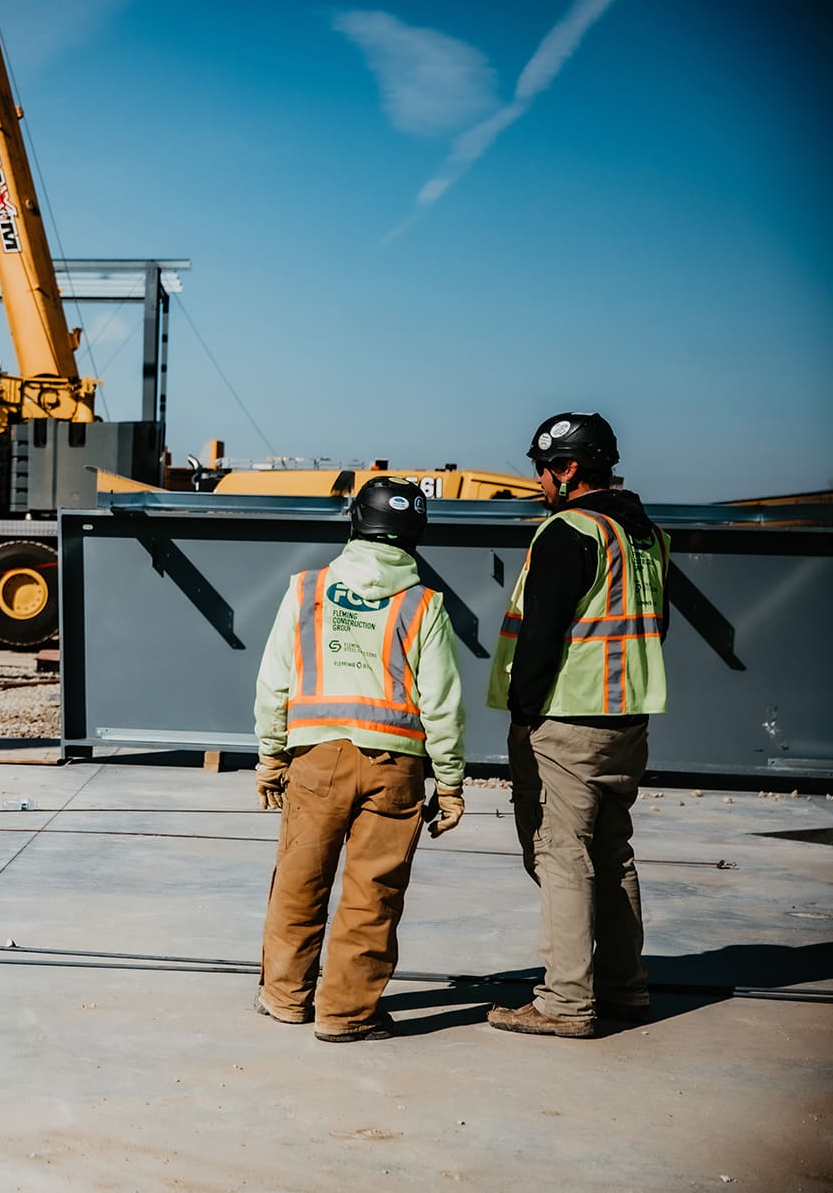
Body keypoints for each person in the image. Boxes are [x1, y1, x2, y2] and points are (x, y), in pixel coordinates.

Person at [253, 477, 467, 1042]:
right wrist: (450, 783)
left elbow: (274, 681)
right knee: (373, 893)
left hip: (316, 758)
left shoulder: (306, 589)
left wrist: (270, 757)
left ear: (355, 522)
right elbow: (442, 702)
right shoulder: (425, 604)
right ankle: (346, 1015)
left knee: (299, 879)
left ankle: (284, 998)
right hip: (395, 767)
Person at [485, 413, 668, 1038]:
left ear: (567, 469)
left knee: (562, 857)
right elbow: (654, 626)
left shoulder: (567, 531)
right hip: (628, 717)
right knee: (612, 853)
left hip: (567, 716)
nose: (538, 480)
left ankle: (565, 1001)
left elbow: (540, 638)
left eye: (543, 468)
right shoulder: (646, 536)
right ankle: (624, 989)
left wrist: (521, 716)